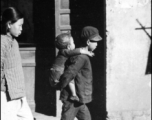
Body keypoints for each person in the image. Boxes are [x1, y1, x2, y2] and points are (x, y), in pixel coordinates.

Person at [59, 26, 102, 120]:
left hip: (79, 99)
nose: (97, 44)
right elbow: (68, 74)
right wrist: (61, 86)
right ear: (88, 42)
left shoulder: (82, 56)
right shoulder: (81, 57)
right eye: (95, 41)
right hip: (73, 99)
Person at [1, 7, 34, 120]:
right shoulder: (2, 41)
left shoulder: (13, 41)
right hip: (6, 95)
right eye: (19, 25)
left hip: (18, 94)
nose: (21, 29)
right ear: (9, 24)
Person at [49, 33, 94, 101]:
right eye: (73, 43)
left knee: (70, 78)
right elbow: (75, 51)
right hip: (57, 72)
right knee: (70, 78)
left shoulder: (63, 52)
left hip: (56, 71)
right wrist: (87, 52)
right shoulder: (65, 51)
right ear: (68, 46)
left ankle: (74, 94)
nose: (74, 44)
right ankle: (73, 95)